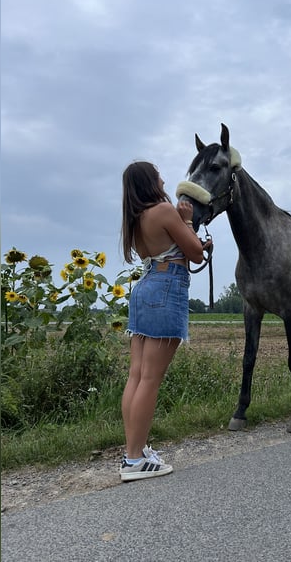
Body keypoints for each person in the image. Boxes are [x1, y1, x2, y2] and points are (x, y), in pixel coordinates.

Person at [119, 161, 211, 481]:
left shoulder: (134, 218)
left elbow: (175, 248)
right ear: (150, 181)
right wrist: (187, 221)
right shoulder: (164, 210)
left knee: (136, 376)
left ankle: (135, 451)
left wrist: (187, 234)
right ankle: (134, 461)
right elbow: (196, 254)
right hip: (166, 288)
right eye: (157, 173)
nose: (162, 177)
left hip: (144, 288)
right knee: (150, 380)